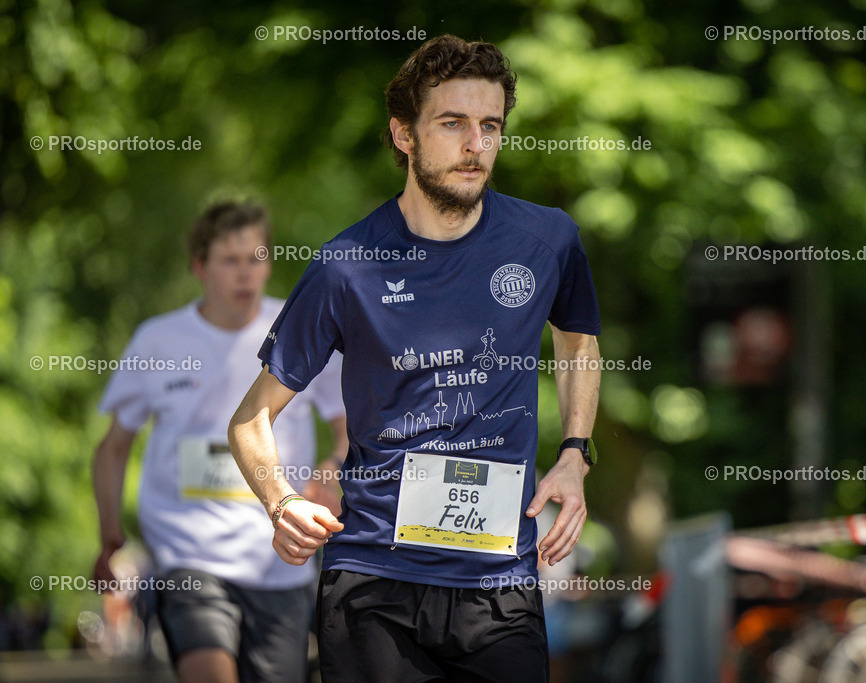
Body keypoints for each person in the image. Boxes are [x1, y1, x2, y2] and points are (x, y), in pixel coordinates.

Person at [229, 35, 601, 682]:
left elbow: (577, 340)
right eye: (452, 123)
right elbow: (249, 419)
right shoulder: (347, 267)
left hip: (500, 581)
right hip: (375, 581)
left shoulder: (549, 240)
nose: (475, 144)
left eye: (490, 126)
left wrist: (575, 451)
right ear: (403, 135)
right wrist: (280, 501)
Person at [92, 201, 348, 682]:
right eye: (229, 260)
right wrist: (109, 532)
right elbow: (113, 446)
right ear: (199, 267)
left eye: (256, 257)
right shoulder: (158, 341)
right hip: (189, 555)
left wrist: (331, 470)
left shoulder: (302, 329)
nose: (245, 273)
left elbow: (346, 428)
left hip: (280, 556)